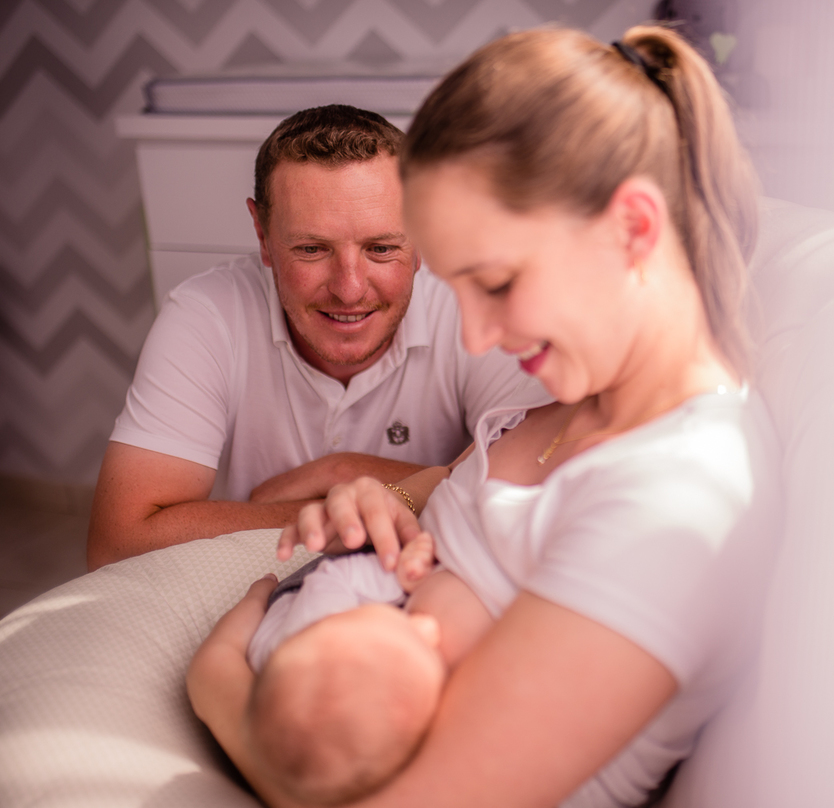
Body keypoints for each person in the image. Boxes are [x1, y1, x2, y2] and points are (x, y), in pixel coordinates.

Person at [188, 24, 781, 808]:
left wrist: (219, 684)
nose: (474, 337)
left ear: (634, 229)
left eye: (497, 283)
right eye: (456, 287)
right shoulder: (569, 407)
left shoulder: (675, 501)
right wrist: (377, 501)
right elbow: (444, 502)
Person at [88, 105, 547, 571]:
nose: (349, 289)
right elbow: (117, 543)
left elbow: (540, 500)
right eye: (311, 249)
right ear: (263, 236)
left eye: (381, 248)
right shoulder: (206, 315)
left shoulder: (476, 312)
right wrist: (378, 505)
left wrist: (342, 469)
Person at [244, 538, 443, 807]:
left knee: (386, 552)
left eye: (410, 629)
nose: (429, 628)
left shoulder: (323, 612)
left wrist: (403, 579)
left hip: (310, 591)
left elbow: (336, 575)